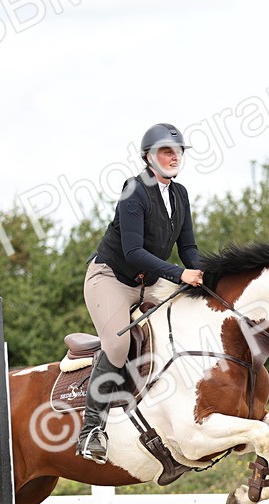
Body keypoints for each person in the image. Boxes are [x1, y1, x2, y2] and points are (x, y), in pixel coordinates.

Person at [76, 123, 205, 463]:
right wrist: (179, 273)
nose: (173, 156)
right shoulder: (134, 189)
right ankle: (91, 430)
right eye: (166, 151)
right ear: (149, 157)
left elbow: (188, 246)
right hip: (111, 278)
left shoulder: (180, 194)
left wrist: (207, 275)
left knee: (192, 318)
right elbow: (132, 251)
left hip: (148, 282)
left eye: (177, 151)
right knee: (118, 343)